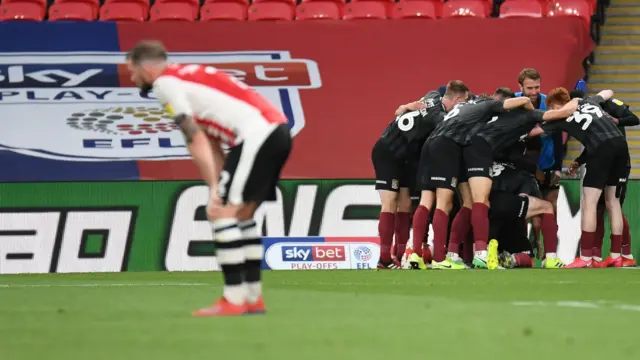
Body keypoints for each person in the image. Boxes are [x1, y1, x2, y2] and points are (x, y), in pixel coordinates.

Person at [126, 40, 292, 316]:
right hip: (276, 132)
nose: (132, 79)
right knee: (242, 215)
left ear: (144, 67)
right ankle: (252, 299)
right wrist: (220, 183)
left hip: (255, 135)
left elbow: (194, 137)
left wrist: (215, 188)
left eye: (132, 71)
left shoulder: (165, 85)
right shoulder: (191, 76)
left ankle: (233, 300)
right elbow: (213, 142)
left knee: (221, 213)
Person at [423, 82, 532, 270]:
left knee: (467, 202)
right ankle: (445, 258)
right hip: (449, 146)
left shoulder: (460, 108)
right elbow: (523, 99)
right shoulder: (485, 106)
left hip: (450, 147)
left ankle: (452, 254)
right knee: (446, 202)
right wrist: (529, 110)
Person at [529, 88, 629, 268]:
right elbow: (609, 91)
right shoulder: (588, 101)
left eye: (552, 107)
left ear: (555, 105)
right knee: (612, 202)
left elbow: (533, 132)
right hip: (620, 144)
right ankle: (616, 255)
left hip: (600, 148)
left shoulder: (560, 118)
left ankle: (585, 257)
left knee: (589, 203)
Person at [373, 91, 445, 269]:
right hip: (388, 151)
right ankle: (384, 259)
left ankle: (400, 255)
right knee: (390, 203)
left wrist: (404, 107)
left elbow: (400, 112)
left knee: (405, 204)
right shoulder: (438, 112)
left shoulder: (426, 102)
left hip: (407, 155)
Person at [568, 90, 638, 267]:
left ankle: (624, 253)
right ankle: (600, 255)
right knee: (603, 207)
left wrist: (617, 121)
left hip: (616, 159)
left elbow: (635, 119)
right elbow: (594, 143)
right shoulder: (591, 112)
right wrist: (579, 160)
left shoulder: (611, 104)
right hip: (604, 157)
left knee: (608, 205)